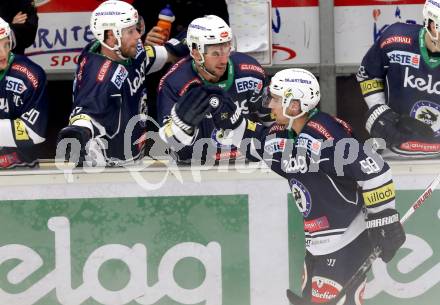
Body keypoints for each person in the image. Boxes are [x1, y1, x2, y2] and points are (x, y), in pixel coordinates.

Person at [165, 68, 406, 304]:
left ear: (294, 105)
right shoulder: (287, 132)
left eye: (277, 99)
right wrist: (226, 114)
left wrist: (384, 221)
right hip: (319, 244)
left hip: (346, 241)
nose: (269, 104)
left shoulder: (325, 135)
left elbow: (376, 172)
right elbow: (256, 142)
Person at [57, 0, 175, 167]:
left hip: (135, 156)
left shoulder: (126, 52)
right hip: (112, 167)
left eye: (136, 29)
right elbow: (86, 114)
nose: (138, 36)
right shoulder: (101, 75)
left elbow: (160, 55)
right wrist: (78, 132)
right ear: (111, 36)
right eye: (130, 31)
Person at [158, 15, 272, 163]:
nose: (224, 60)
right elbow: (166, 145)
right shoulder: (174, 84)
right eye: (216, 53)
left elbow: (274, 127)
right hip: (195, 171)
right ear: (196, 53)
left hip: (245, 164)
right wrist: (181, 128)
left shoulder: (251, 72)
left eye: (226, 49)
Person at [357, 0, 440, 159]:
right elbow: (367, 74)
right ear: (431, 26)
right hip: (393, 150)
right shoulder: (396, 40)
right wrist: (380, 111)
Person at [132, 0, 230, 126]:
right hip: (154, 85)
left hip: (199, 84)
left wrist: (171, 50)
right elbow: (128, 51)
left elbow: (224, 41)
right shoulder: (144, 5)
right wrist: (144, 44)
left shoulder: (214, 4)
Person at [0, 17, 48, 169]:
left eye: (6, 45)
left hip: (21, 175)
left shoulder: (29, 75)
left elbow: (33, 132)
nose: (3, 54)